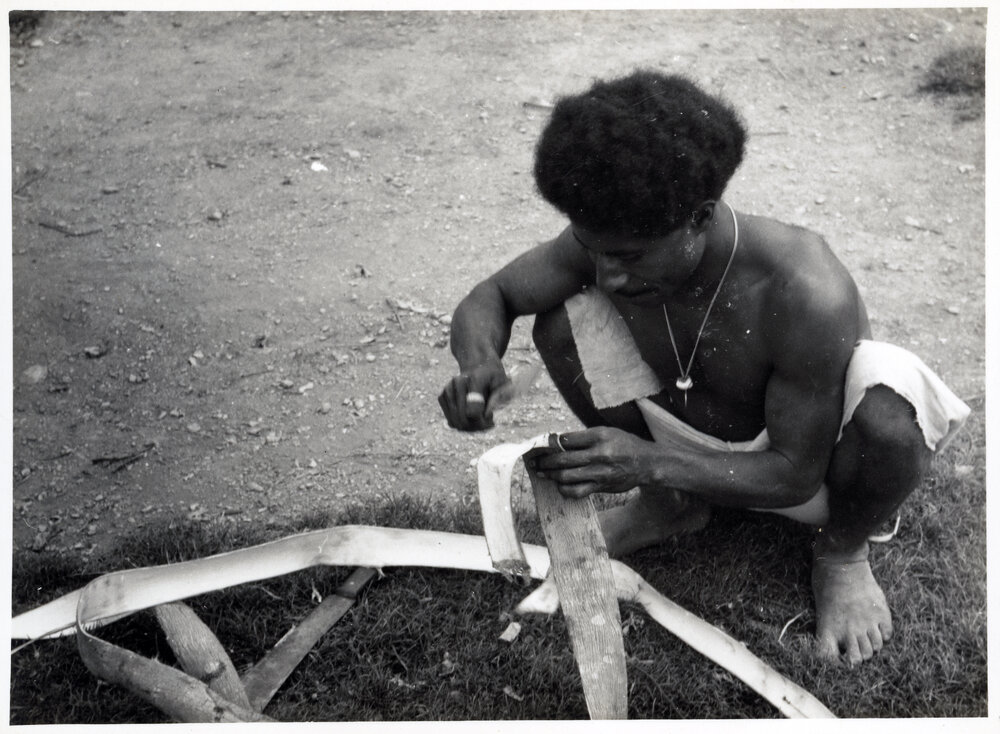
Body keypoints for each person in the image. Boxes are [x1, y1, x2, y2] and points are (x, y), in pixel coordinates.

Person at [437, 70, 969, 666]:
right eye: (593, 250)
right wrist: (478, 364)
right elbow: (493, 296)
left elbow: (794, 476)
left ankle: (843, 553)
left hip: (808, 479)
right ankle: (670, 508)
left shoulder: (802, 285)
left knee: (893, 403)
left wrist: (646, 461)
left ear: (700, 216)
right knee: (560, 319)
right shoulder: (615, 238)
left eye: (630, 256)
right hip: (683, 445)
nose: (608, 274)